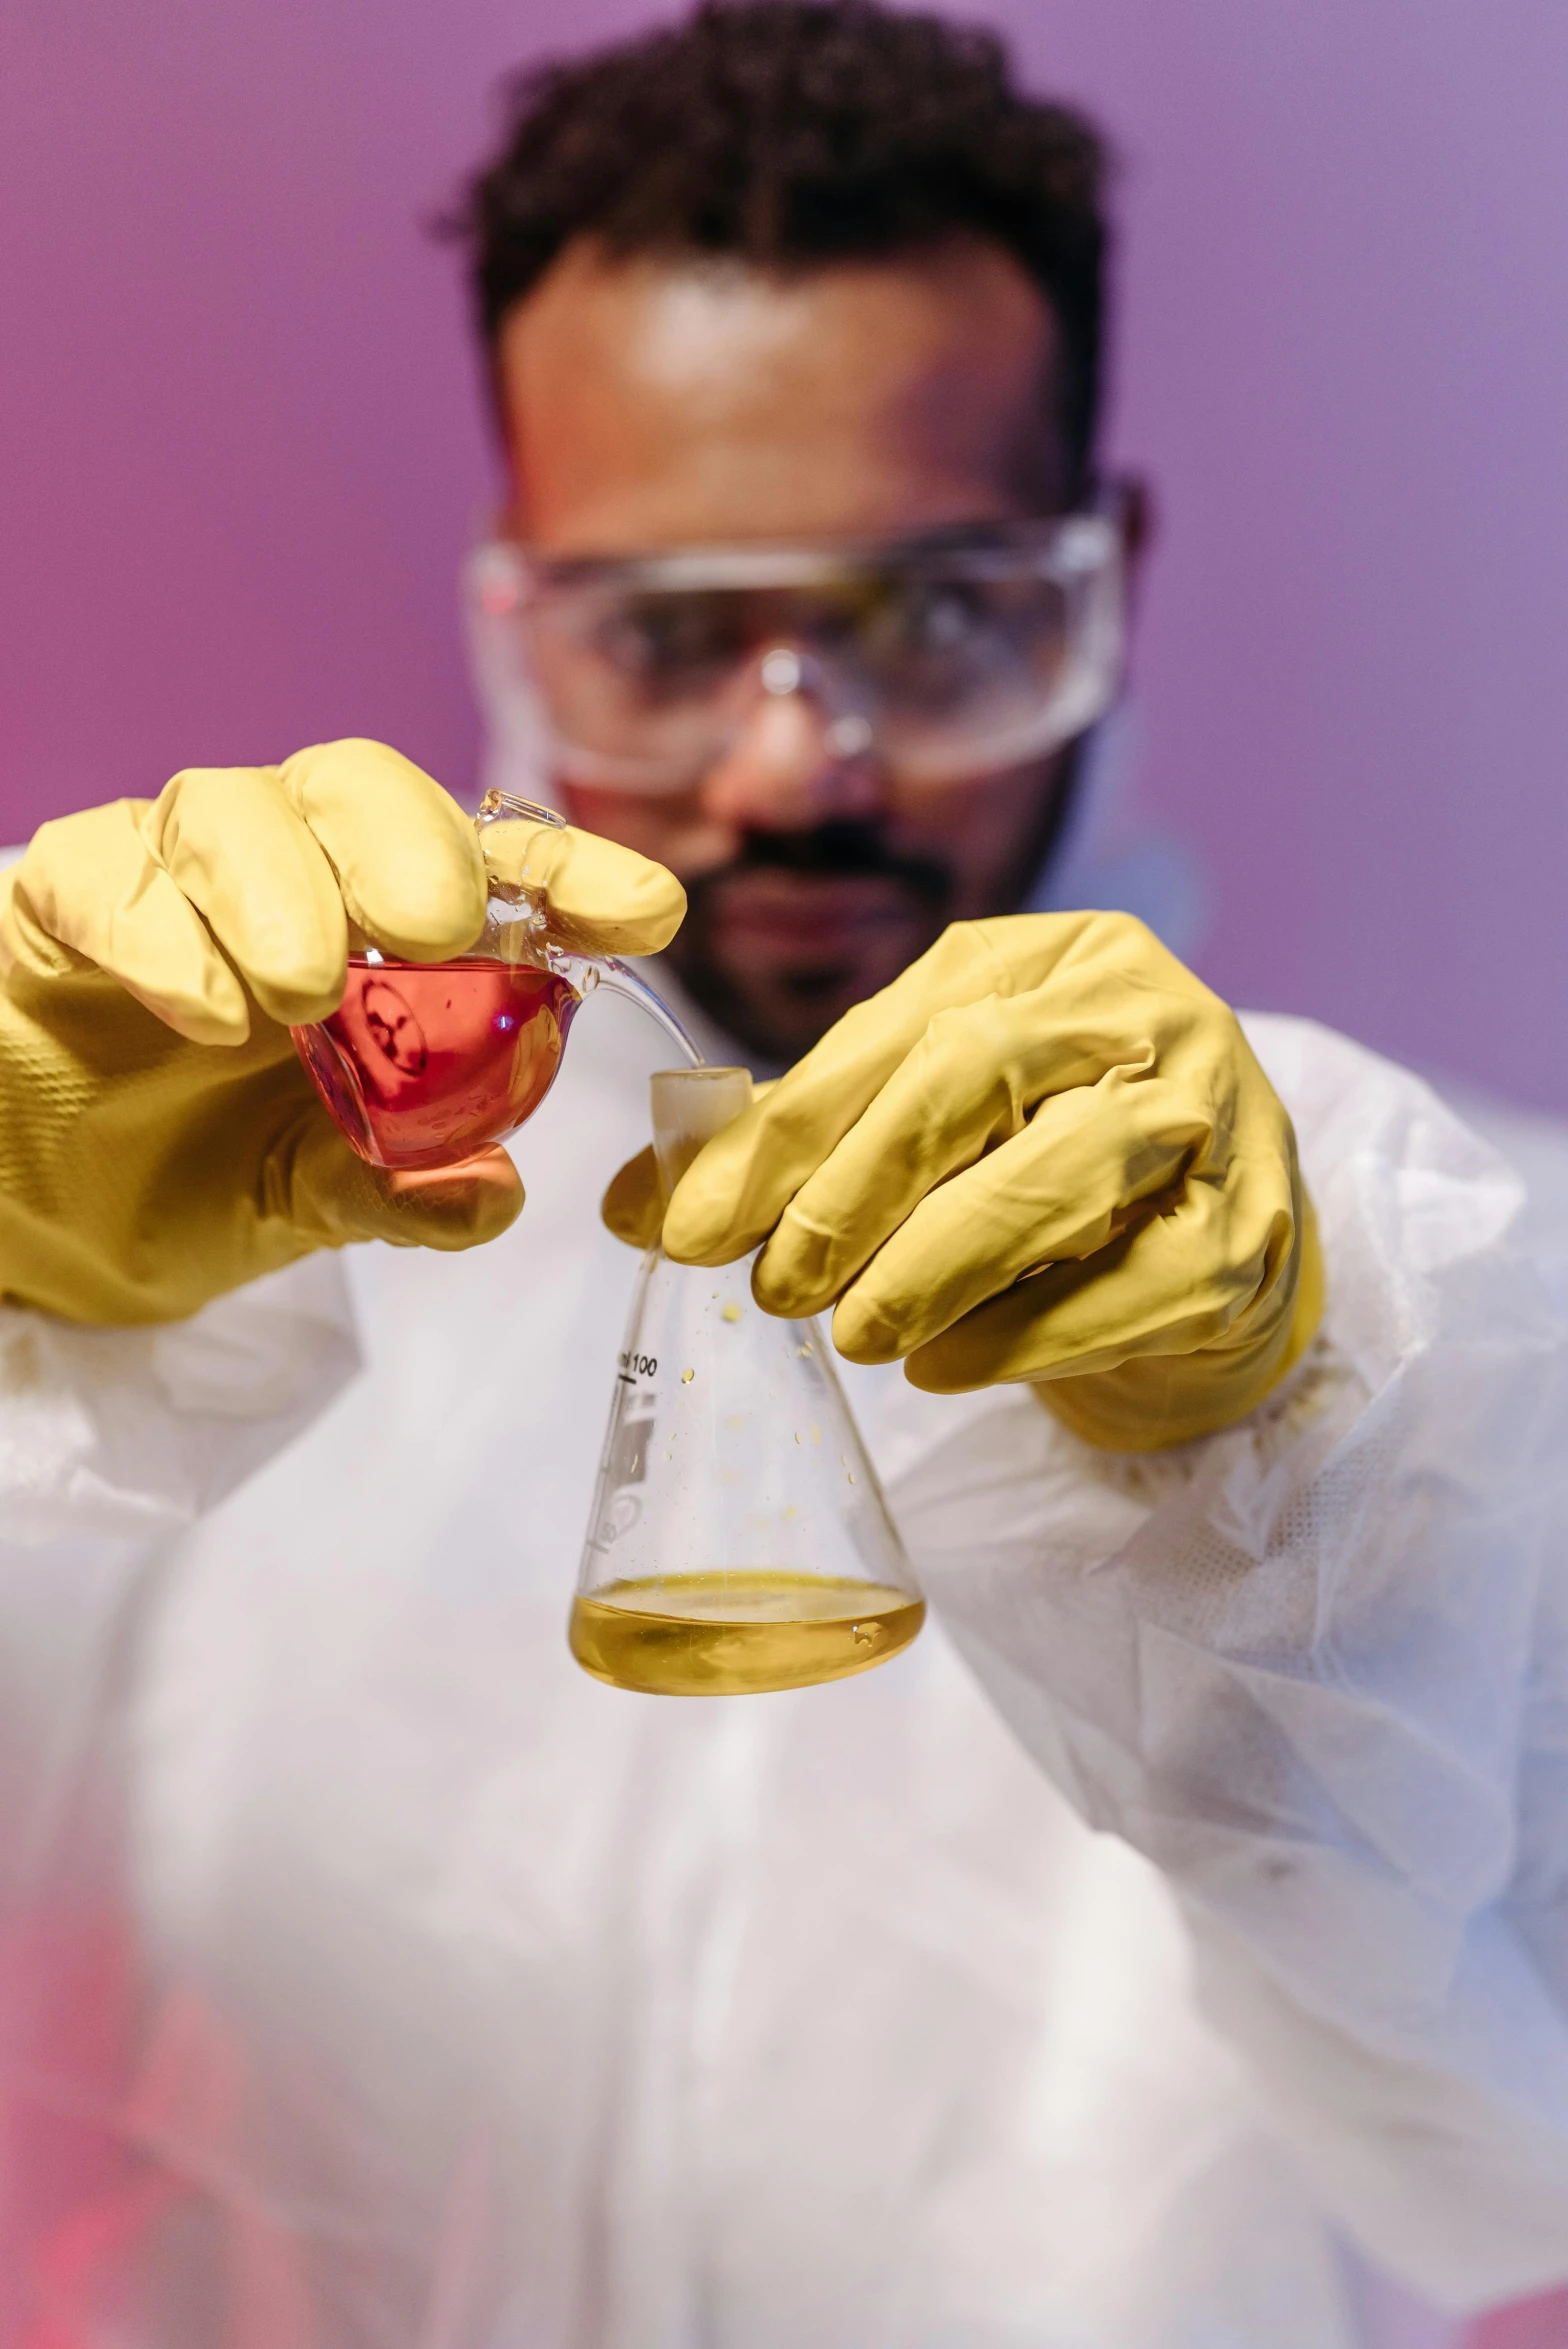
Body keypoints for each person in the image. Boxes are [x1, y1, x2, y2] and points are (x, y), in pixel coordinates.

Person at [0, 4, 1565, 2342]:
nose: (790, 766)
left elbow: (1513, 2160)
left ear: (1101, 578)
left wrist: (1290, 1473)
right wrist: (35, 1334)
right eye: (668, 632)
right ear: (513, 606)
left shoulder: (1447, 1307)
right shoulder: (254, 1263)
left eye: (933, 616)